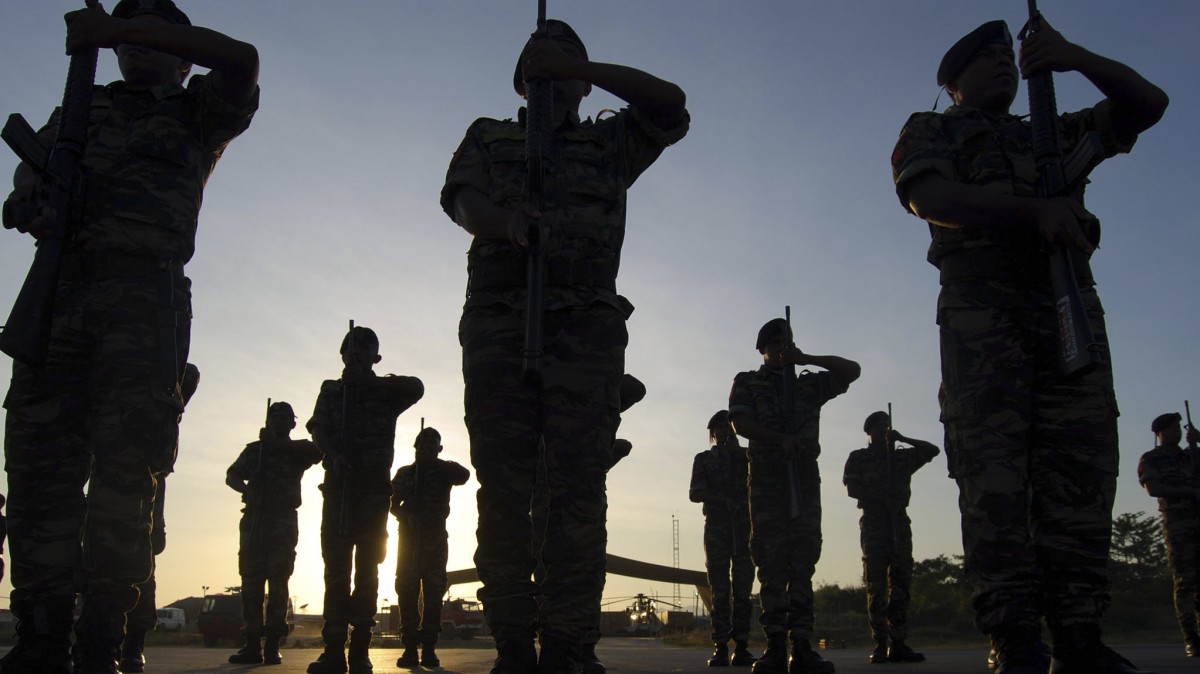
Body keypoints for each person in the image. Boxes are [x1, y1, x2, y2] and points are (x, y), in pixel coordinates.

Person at [890, 13, 1168, 674]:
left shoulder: (1053, 133)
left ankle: (1079, 630)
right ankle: (1013, 633)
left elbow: (1147, 104)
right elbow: (928, 196)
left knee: (1081, 466)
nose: (1002, 64)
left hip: (1067, 307)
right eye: (984, 58)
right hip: (983, 319)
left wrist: (1073, 56)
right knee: (994, 478)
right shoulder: (934, 127)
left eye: (1007, 57)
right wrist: (1034, 212)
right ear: (952, 79)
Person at [0, 1, 258, 671]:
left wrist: (117, 28)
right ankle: (38, 638)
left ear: (182, 52)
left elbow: (243, 59)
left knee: (126, 478)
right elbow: (40, 165)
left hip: (145, 302)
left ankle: (101, 644)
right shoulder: (84, 107)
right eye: (127, 30)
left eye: (156, 31)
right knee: (37, 475)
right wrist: (31, 192)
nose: (136, 44)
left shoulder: (198, 110)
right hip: (59, 296)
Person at [439, 16, 687, 674]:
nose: (551, 77)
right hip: (499, 324)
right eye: (538, 65)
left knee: (578, 490)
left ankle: (571, 646)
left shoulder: (611, 145)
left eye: (565, 67)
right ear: (522, 82)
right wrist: (506, 224)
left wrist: (586, 69)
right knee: (503, 489)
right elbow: (461, 200)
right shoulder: (489, 137)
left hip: (585, 331)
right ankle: (514, 642)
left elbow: (671, 104)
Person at [728, 318, 860, 674]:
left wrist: (807, 358)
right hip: (768, 480)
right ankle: (774, 645)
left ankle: (802, 645)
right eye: (776, 343)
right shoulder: (748, 381)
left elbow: (852, 371)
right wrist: (778, 439)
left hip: (803, 479)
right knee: (770, 561)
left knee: (803, 560)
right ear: (763, 349)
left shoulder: (809, 385)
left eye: (787, 342)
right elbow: (740, 424)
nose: (782, 348)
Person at [305, 325, 424, 674]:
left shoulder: (385, 393)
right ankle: (333, 649)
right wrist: (334, 454)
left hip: (373, 494)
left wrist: (369, 382)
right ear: (342, 356)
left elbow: (416, 387)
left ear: (376, 358)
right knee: (336, 572)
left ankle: (360, 649)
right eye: (351, 353)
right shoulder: (332, 391)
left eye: (363, 353)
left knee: (368, 571)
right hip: (340, 491)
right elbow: (318, 430)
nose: (355, 358)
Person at [225, 401, 322, 666]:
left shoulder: (295, 451)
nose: (279, 421)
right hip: (256, 520)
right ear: (267, 421)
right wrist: (246, 491)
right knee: (251, 583)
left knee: (279, 583)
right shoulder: (255, 451)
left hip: (282, 520)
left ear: (292, 423)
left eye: (284, 418)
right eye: (274, 417)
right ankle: (253, 643)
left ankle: (272, 645)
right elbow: (232, 475)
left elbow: (317, 452)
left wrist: (276, 444)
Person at [120, 363, 201, 673]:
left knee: (143, 569)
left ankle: (133, 642)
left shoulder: (166, 383)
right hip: (111, 468)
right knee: (100, 567)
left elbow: (189, 374)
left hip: (147, 486)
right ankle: (102, 638)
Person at [842, 411, 940, 665]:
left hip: (898, 522)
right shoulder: (859, 457)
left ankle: (899, 642)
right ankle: (880, 643)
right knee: (876, 585)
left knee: (901, 584)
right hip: (874, 523)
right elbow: (853, 489)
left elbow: (932, 450)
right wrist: (879, 500)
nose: (884, 430)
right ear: (869, 431)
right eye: (879, 427)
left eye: (887, 426)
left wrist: (903, 438)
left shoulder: (900, 457)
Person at [391, 427, 471, 670]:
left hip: (435, 540)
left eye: (432, 444)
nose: (425, 447)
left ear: (439, 448)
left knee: (434, 594)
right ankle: (409, 647)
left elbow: (464, 474)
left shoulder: (443, 472)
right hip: (409, 541)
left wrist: (436, 462)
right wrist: (405, 515)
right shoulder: (406, 473)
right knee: (407, 592)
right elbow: (392, 503)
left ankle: (428, 648)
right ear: (414, 447)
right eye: (422, 444)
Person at [689, 410, 756, 668]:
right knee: (719, 588)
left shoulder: (746, 457)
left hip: (743, 527)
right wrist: (720, 499)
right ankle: (720, 647)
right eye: (719, 428)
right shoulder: (704, 459)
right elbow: (695, 492)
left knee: (743, 588)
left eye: (727, 427)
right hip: (717, 527)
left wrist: (740, 453)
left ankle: (741, 646)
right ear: (712, 433)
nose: (724, 432)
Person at [1137, 412, 1200, 657]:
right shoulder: (1152, 458)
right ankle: (1192, 639)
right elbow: (1153, 488)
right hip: (1178, 524)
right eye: (1172, 428)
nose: (1177, 432)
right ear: (1160, 432)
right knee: (1185, 581)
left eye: (1178, 428)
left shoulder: (1192, 455)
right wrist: (1188, 492)